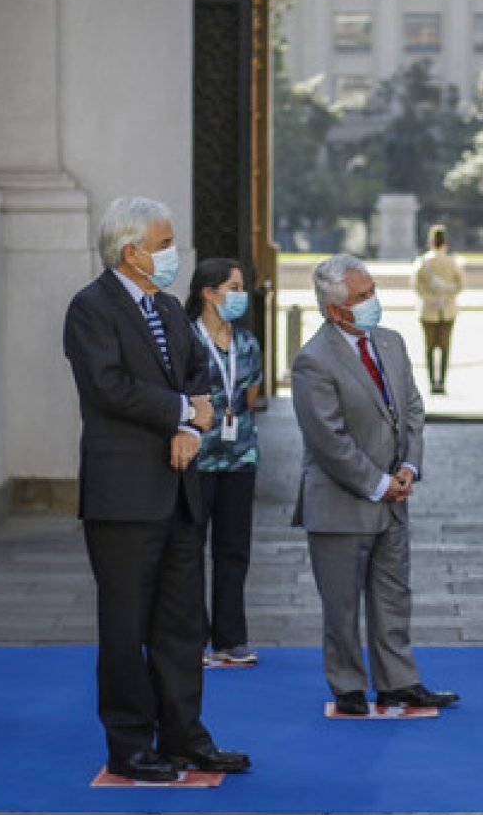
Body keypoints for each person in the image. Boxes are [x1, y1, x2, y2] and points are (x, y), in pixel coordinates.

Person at [63, 196, 251, 781]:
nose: (174, 254)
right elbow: (107, 386)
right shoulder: (91, 309)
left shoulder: (168, 307)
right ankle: (129, 744)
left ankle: (184, 737)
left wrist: (185, 427)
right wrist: (180, 413)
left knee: (181, 626)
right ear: (131, 251)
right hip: (123, 498)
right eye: (165, 244)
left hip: (178, 489)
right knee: (124, 628)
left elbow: (195, 372)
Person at [291, 254, 460, 715]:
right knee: (342, 605)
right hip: (342, 504)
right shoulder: (313, 360)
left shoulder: (392, 342)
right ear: (334, 311)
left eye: (372, 292)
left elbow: (412, 409)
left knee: (393, 595)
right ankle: (348, 686)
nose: (373, 303)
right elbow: (328, 440)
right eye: (362, 297)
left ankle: (398, 681)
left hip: (393, 500)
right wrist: (379, 482)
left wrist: (409, 467)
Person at [185, 258, 262, 666]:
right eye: (232, 287)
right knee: (190, 549)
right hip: (196, 459)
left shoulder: (247, 342)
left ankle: (231, 639)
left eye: (240, 286)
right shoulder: (185, 339)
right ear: (208, 292)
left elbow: (248, 398)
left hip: (240, 458)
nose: (239, 294)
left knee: (234, 550)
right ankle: (193, 638)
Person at [411, 224, 464, 394]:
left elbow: (417, 286)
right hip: (447, 309)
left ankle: (432, 383)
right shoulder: (452, 262)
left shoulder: (422, 262)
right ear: (445, 243)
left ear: (431, 242)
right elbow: (460, 284)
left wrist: (430, 299)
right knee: (445, 347)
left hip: (428, 309)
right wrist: (446, 298)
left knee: (429, 347)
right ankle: (442, 382)